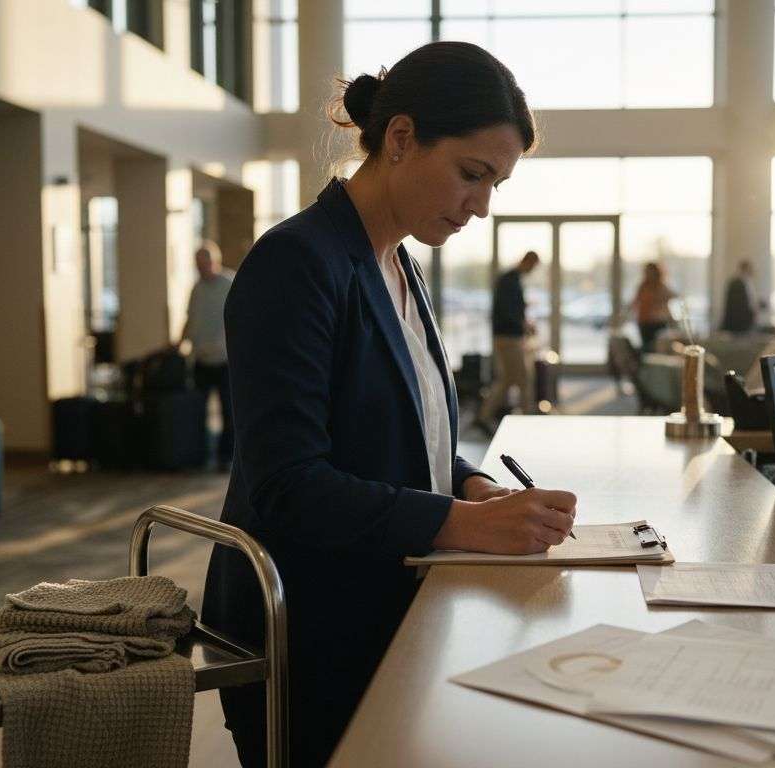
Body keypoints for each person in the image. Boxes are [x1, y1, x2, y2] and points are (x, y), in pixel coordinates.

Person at [201, 42, 578, 768]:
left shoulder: (399, 261)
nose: (482, 206)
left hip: (388, 601)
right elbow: (288, 485)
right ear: (400, 138)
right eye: (473, 175)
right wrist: (462, 522)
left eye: (496, 184)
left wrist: (471, 481)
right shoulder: (297, 262)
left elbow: (404, 425)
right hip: (313, 626)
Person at [176, 240, 234, 473]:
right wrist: (180, 343)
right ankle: (200, 456)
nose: (202, 268)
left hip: (225, 360)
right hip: (200, 360)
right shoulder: (196, 289)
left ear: (216, 261)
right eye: (198, 264)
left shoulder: (230, 283)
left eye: (205, 263)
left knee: (228, 412)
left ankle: (226, 458)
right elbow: (190, 319)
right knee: (197, 411)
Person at [476, 250, 540, 431]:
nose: (532, 270)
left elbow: (511, 307)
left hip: (505, 336)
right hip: (509, 337)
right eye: (533, 266)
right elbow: (509, 311)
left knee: (506, 380)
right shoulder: (510, 280)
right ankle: (527, 420)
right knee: (525, 380)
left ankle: (484, 417)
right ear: (527, 261)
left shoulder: (511, 279)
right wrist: (524, 324)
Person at [630, 261, 675, 351]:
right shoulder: (643, 287)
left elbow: (671, 297)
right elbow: (635, 302)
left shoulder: (660, 287)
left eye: (650, 271)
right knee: (646, 348)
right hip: (644, 322)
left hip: (657, 323)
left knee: (656, 348)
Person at [721, 259, 762, 334]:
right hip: (738, 325)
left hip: (746, 323)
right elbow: (737, 307)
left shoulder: (747, 282)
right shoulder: (736, 284)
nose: (753, 270)